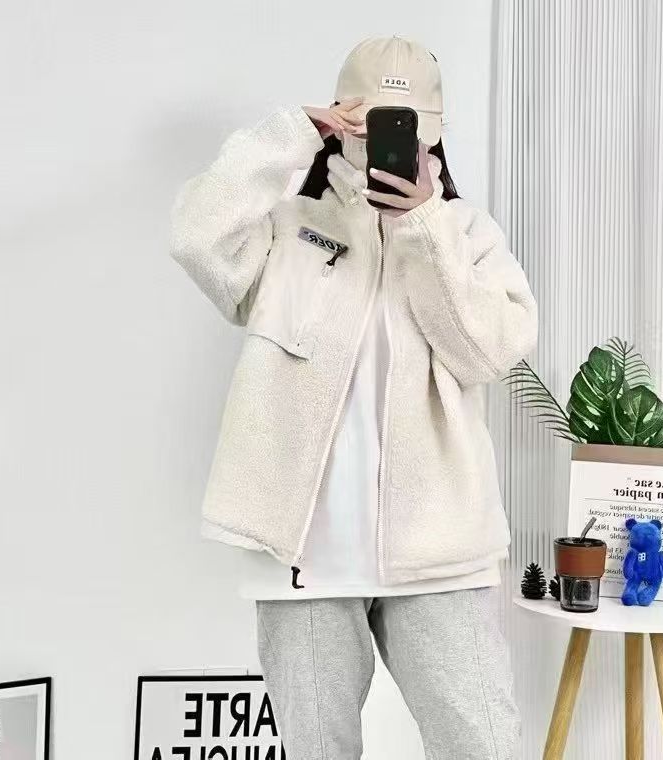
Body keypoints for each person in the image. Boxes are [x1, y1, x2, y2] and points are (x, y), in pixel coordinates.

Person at [170, 35, 537, 760]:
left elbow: (488, 352)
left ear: (433, 134)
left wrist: (422, 226)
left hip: (438, 551)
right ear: (342, 120)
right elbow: (195, 236)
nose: (384, 146)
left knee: (486, 744)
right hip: (306, 555)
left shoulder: (466, 234)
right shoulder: (291, 226)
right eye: (369, 125)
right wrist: (286, 136)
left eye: (405, 128)